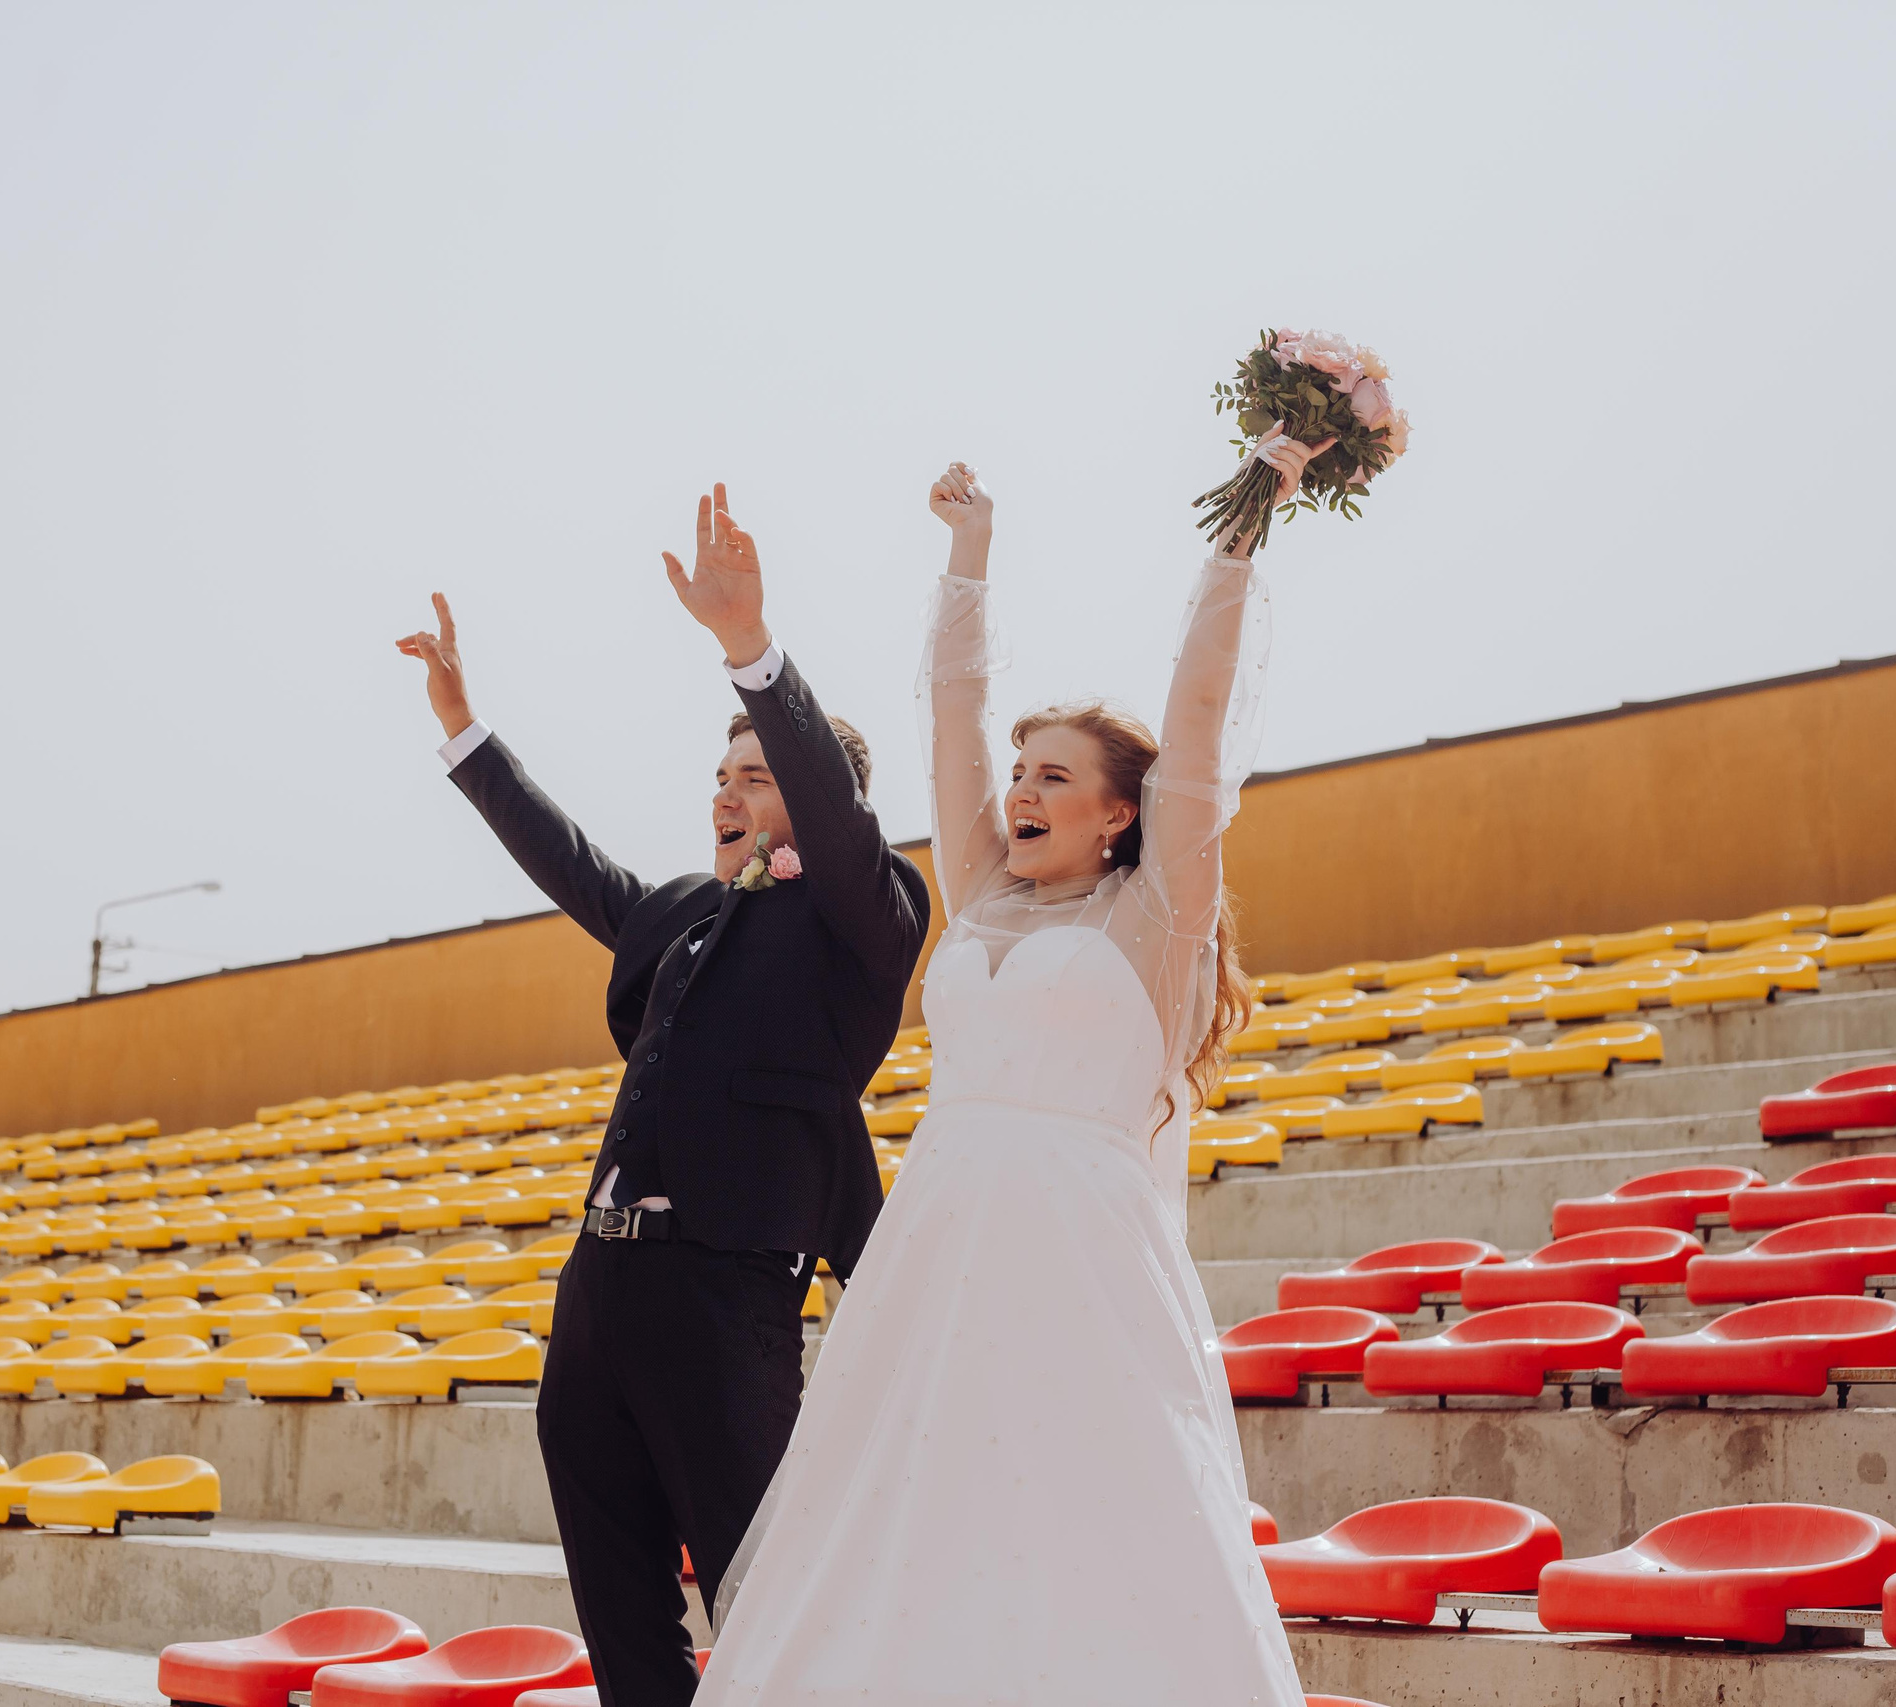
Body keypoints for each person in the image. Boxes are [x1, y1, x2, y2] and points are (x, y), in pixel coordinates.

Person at [693, 438, 1331, 1705]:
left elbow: (1197, 722)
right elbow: (951, 718)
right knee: (906, 1526)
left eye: (1056, 777)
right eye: (1021, 773)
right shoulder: (982, 896)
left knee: (1086, 1528)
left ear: (1119, 815)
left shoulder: (1155, 916)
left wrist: (1242, 523)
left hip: (1081, 1260)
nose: (1022, 791)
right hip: (938, 1248)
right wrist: (967, 558)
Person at [395, 484, 931, 1707]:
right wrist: (467, 731)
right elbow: (574, 865)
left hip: (726, 1299)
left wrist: (750, 653)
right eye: (720, 773)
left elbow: (839, 827)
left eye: (757, 773)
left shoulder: (870, 909)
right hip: (601, 1291)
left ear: (816, 793)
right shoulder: (684, 910)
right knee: (623, 1620)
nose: (727, 793)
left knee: (764, 1608)